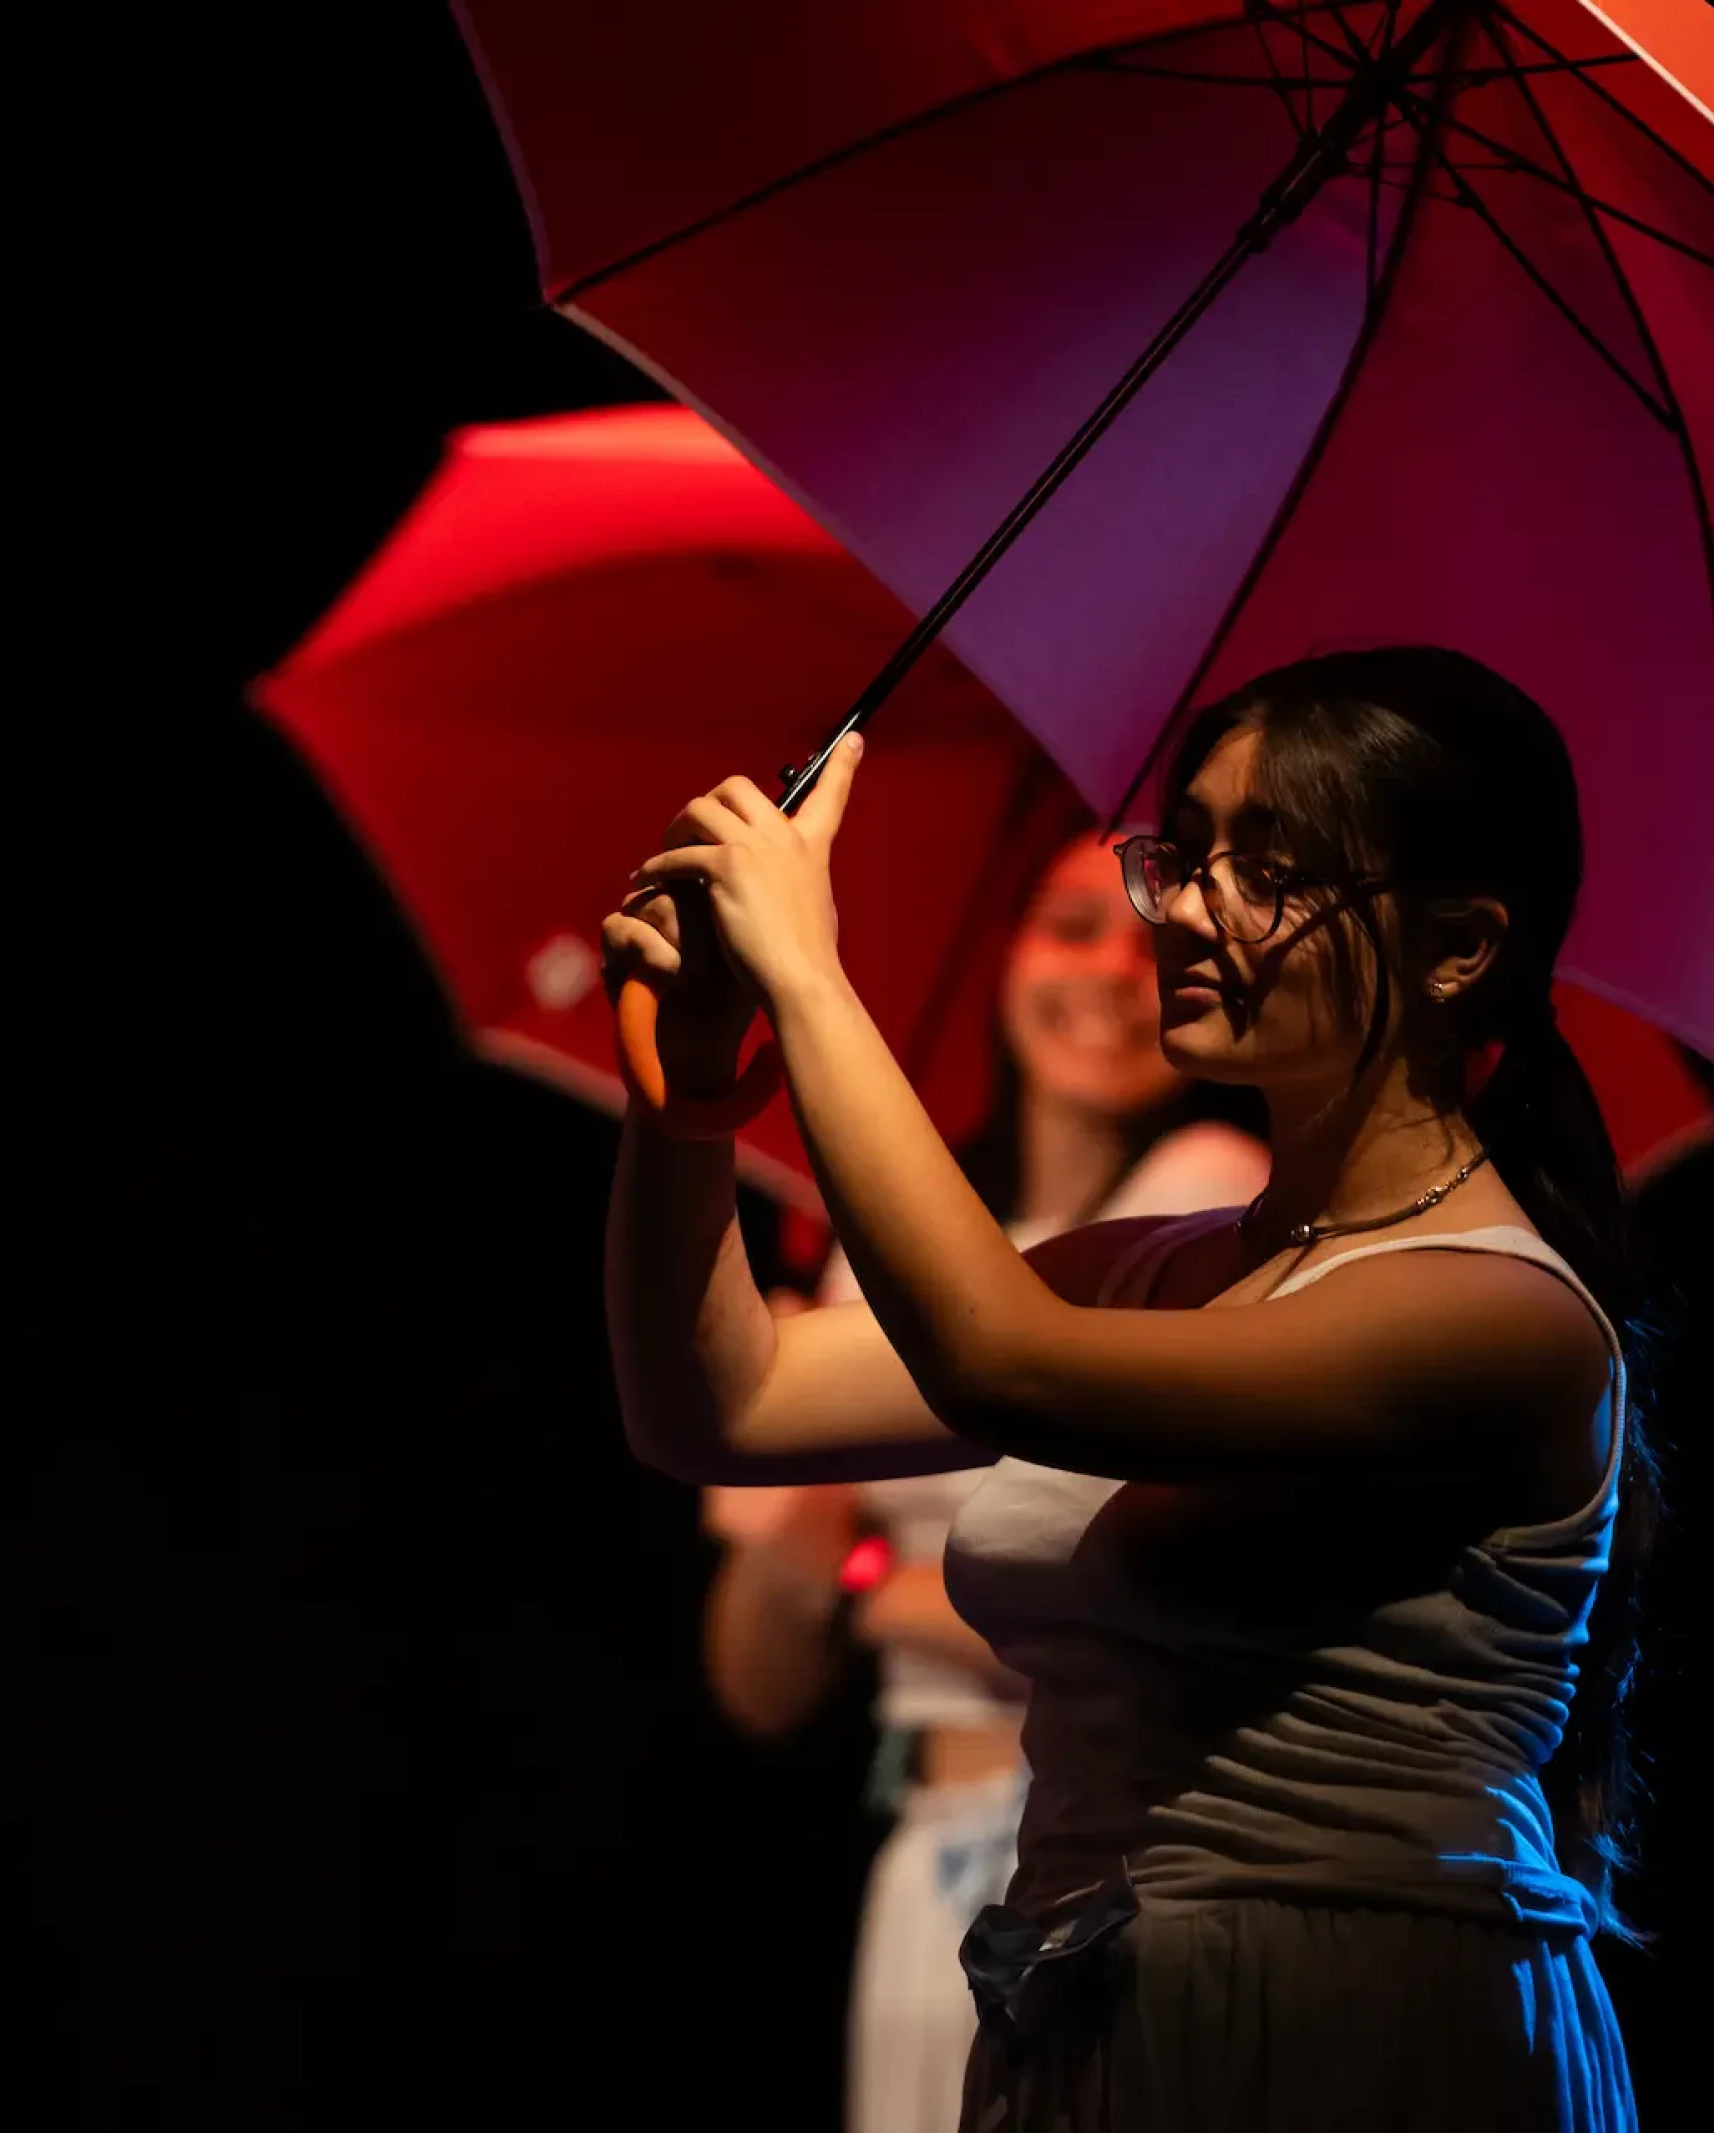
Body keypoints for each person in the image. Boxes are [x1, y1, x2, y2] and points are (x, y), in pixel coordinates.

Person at [602, 646, 1651, 2130]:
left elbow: (1001, 1364)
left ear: (1460, 948)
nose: (1189, 911)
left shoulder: (1497, 1316)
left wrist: (806, 971)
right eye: (1192, 852)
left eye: (1270, 871)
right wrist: (693, 1083)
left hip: (1352, 2024)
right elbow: (720, 1404)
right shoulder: (1159, 1263)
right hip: (1090, 2006)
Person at [699, 836, 1267, 2133]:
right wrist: (791, 1538)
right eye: (1073, 926)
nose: (1114, 970)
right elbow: (756, 1684)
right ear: (1007, 952)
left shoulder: (1210, 1206)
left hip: (1105, 1852)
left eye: (1157, 937)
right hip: (926, 1845)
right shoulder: (881, 1247)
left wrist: (858, 1574)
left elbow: (1126, 1624)